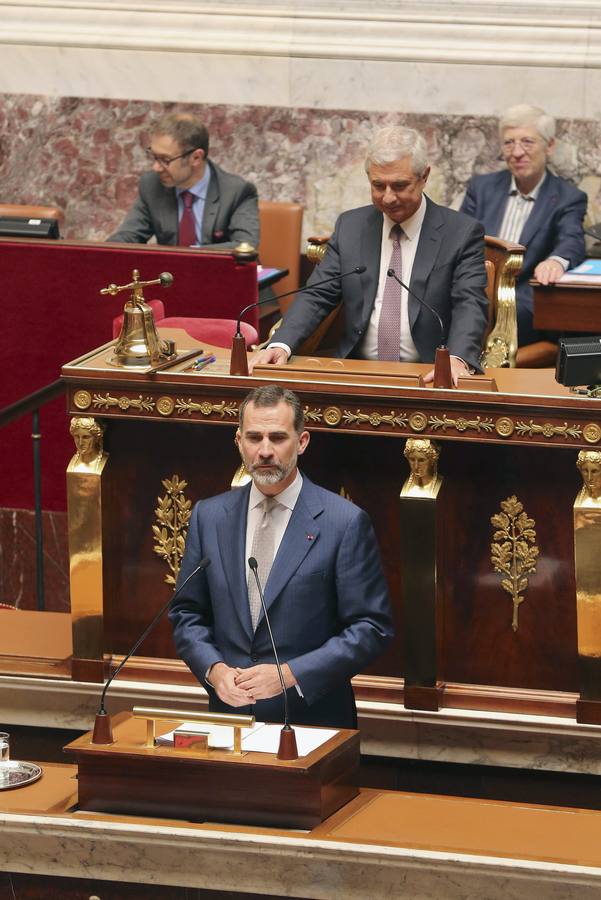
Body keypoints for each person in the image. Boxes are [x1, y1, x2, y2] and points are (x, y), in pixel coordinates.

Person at [169, 385, 394, 729]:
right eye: (254, 438)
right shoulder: (209, 517)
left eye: (277, 438)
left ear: (302, 442)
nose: (264, 451)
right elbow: (187, 613)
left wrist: (290, 674)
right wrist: (214, 670)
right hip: (231, 724)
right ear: (239, 441)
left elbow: (371, 628)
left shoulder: (343, 523)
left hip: (312, 723)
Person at [251, 125, 489, 385]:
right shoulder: (351, 227)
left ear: (424, 176)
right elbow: (318, 294)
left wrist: (457, 358)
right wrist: (281, 344)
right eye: (378, 185)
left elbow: (469, 302)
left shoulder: (460, 233)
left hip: (430, 375)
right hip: (356, 372)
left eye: (399, 185)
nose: (388, 198)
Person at [460, 104, 587, 347]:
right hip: (474, 289)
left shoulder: (568, 197)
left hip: (524, 298)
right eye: (509, 143)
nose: (517, 152)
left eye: (528, 142)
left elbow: (571, 239)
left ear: (549, 146)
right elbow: (459, 239)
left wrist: (555, 261)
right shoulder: (482, 188)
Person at [108, 112, 260, 250]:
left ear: (196, 158)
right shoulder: (152, 185)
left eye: (165, 160)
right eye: (154, 156)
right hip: (170, 271)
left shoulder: (237, 192)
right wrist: (103, 253)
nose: (156, 167)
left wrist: (190, 255)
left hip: (217, 271)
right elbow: (128, 236)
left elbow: (245, 246)